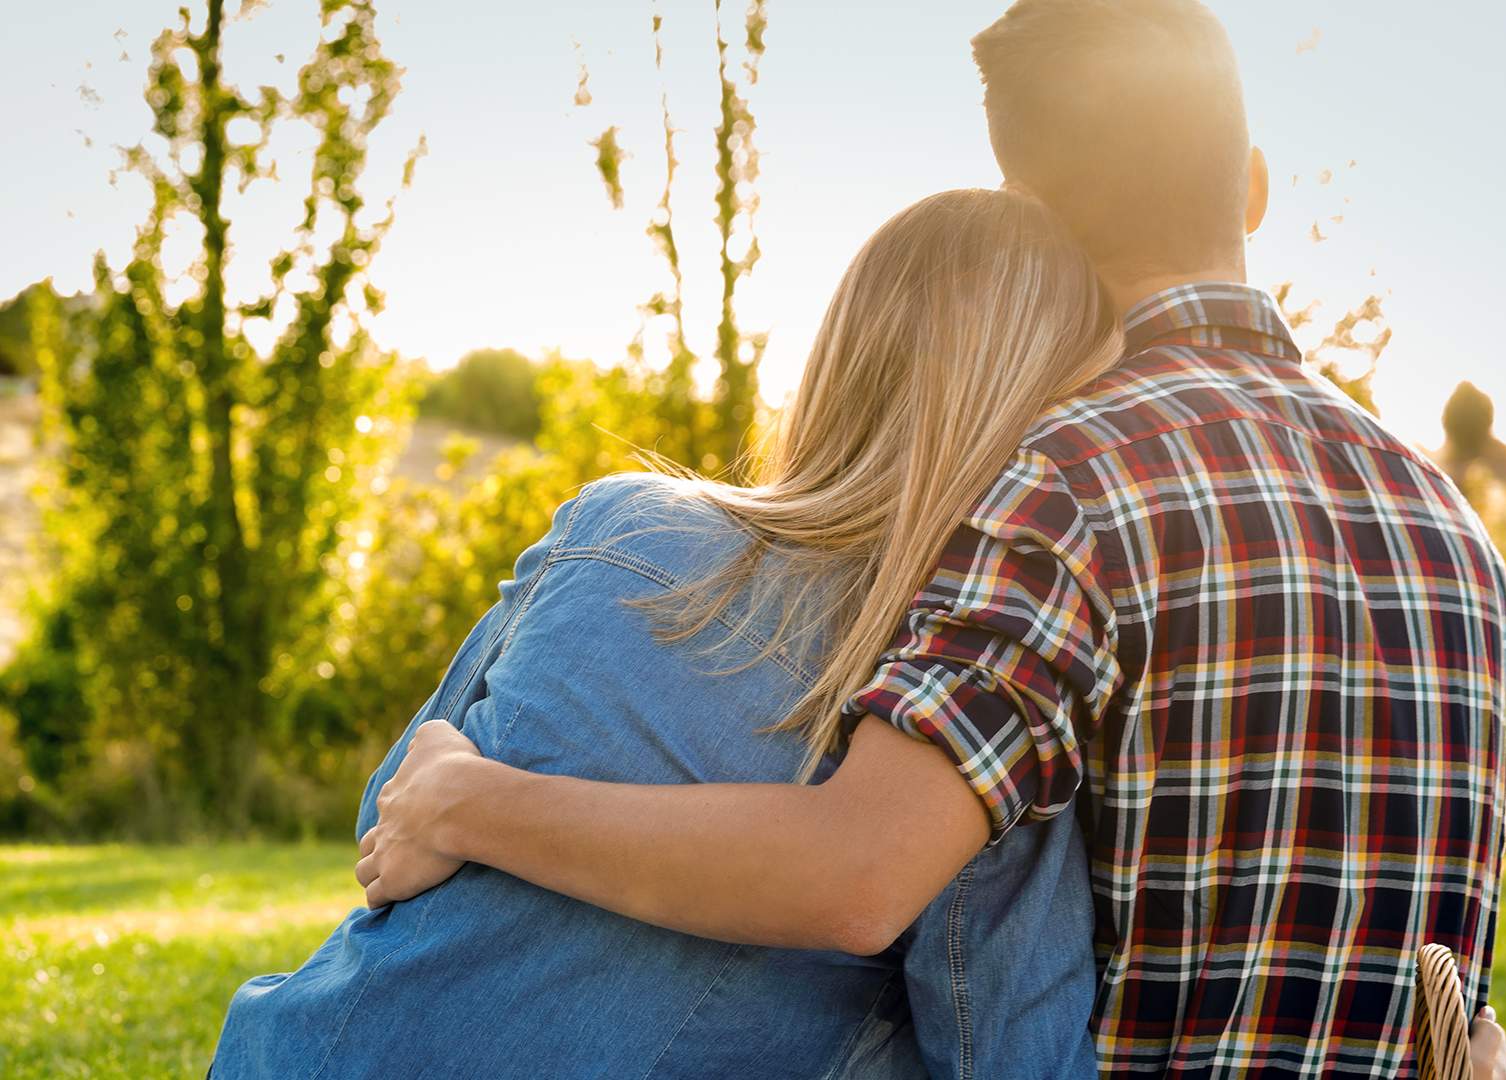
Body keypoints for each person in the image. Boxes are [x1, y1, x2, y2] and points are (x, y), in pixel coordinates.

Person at [363, 0, 1506, 1073]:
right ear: (1253, 189)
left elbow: (860, 873)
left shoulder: (1071, 476)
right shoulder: (1456, 535)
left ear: (1032, 218)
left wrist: (466, 801)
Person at [211, 189, 1117, 1079]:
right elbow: (1012, 1055)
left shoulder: (617, 521)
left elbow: (391, 821)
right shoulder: (967, 701)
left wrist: (473, 806)